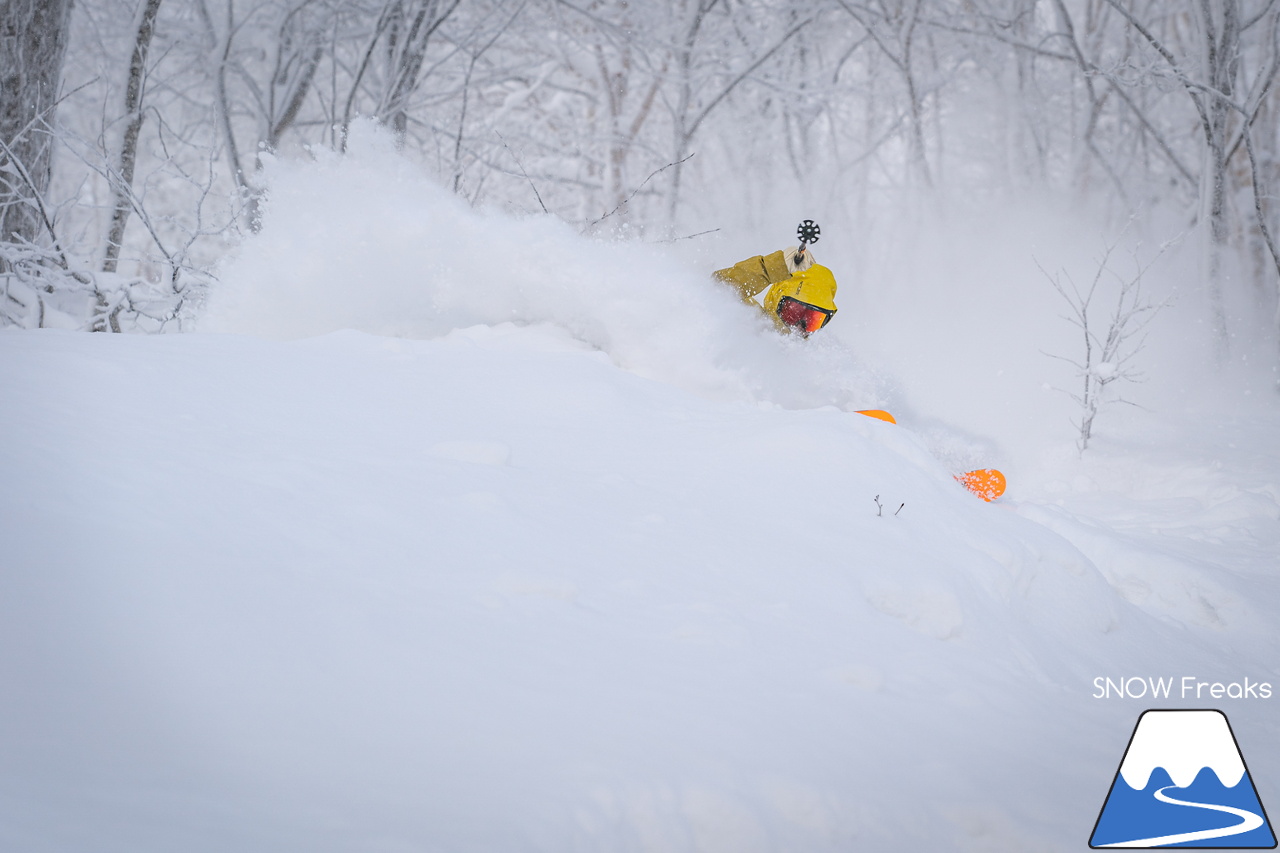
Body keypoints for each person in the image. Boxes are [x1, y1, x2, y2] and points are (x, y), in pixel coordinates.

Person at [713, 245, 837, 336]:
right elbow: (718, 288)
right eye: (793, 313)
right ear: (778, 297)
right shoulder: (753, 320)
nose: (799, 326)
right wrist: (773, 267)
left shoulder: (815, 356)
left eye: (813, 320)